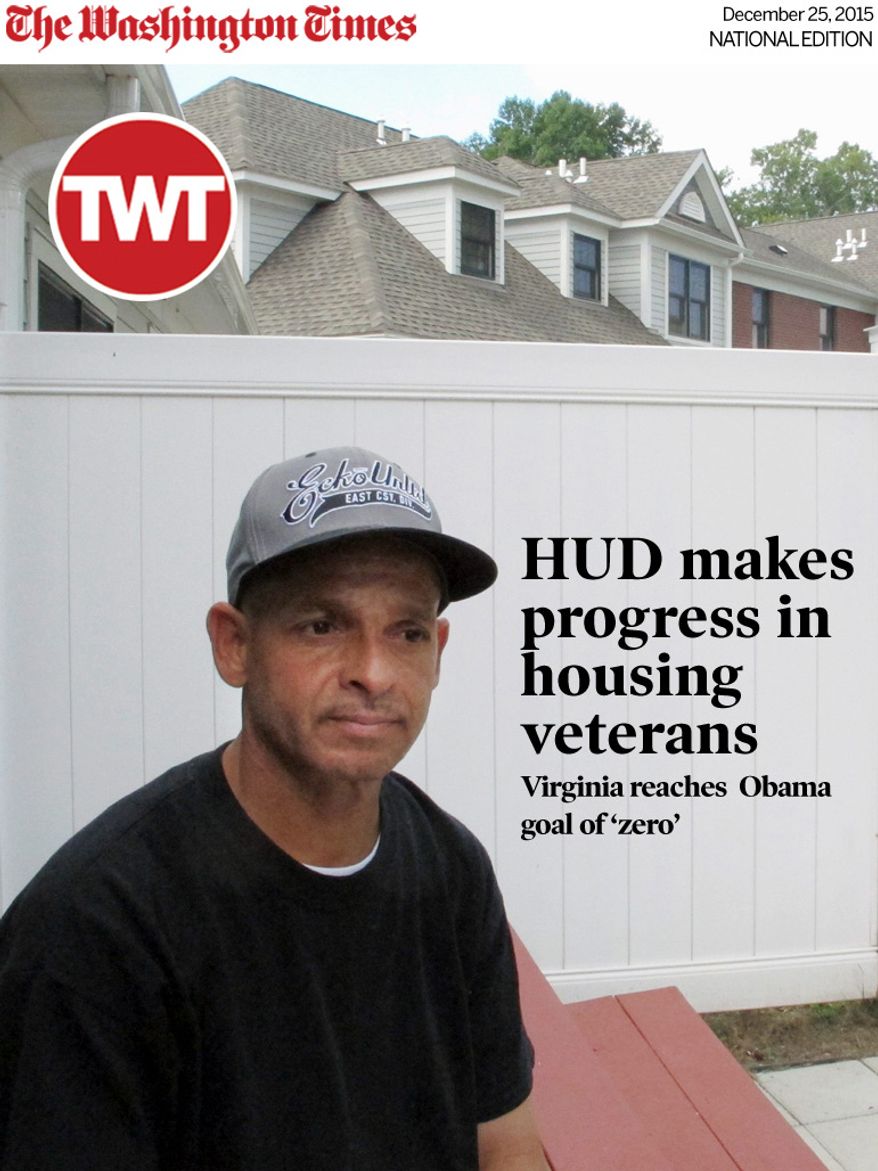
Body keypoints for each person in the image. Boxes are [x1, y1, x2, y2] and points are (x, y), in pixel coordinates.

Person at [0, 446, 545, 1170]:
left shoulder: (451, 871)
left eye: (407, 631)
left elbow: (504, 1140)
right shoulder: (100, 927)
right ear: (235, 644)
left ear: (438, 651)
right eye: (322, 625)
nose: (373, 672)